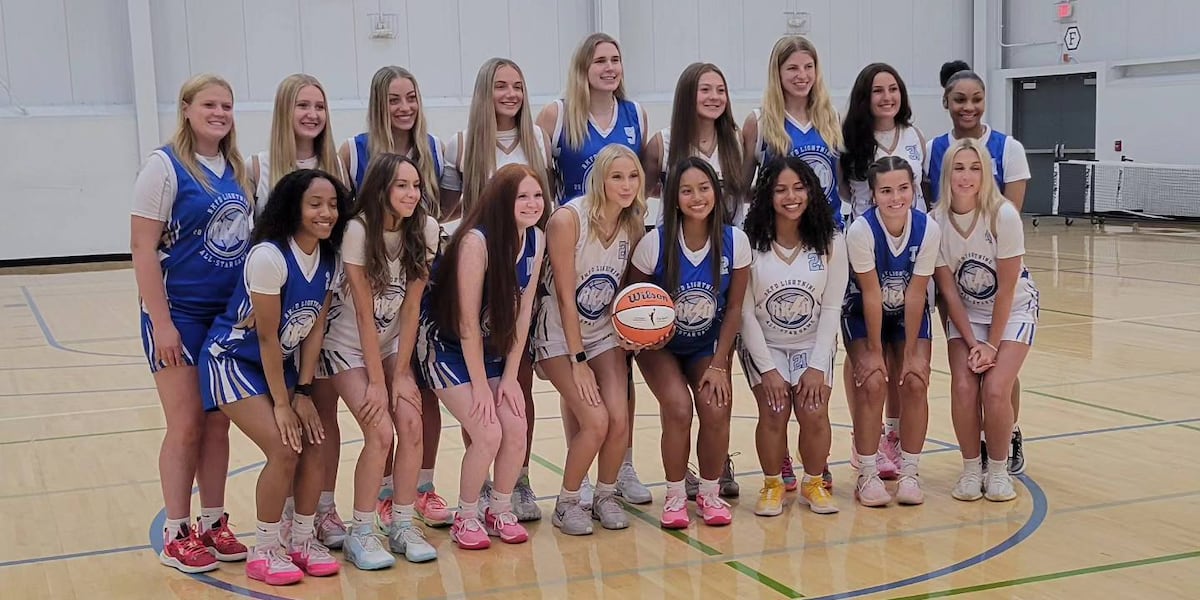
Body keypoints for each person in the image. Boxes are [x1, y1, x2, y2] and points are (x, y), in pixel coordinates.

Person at [199, 168, 345, 585]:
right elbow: (265, 336)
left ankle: (300, 540)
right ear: (293, 207)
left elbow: (314, 327)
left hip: (277, 367)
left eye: (332, 204)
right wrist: (282, 404)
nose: (327, 212)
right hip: (231, 359)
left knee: (315, 442)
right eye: (315, 204)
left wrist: (303, 391)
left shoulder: (328, 258)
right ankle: (264, 550)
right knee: (285, 448)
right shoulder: (268, 257)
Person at [131, 73, 251, 574]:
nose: (219, 113)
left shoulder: (239, 169)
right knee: (185, 426)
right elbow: (141, 248)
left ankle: (213, 521)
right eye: (209, 104)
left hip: (223, 320)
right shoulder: (164, 167)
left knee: (219, 424)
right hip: (177, 315)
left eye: (226, 105)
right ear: (186, 109)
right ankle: (177, 531)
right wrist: (162, 323)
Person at [537, 33, 653, 504]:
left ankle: (616, 473)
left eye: (616, 59)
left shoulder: (636, 117)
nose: (609, 67)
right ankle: (578, 479)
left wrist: (637, 324)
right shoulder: (557, 115)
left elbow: (631, 284)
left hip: (605, 296)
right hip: (572, 274)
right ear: (583, 67)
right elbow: (543, 180)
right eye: (600, 60)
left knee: (619, 396)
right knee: (586, 403)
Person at [436, 58, 554, 522]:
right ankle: (481, 487)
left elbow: (543, 204)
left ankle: (516, 481)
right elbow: (448, 208)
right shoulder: (463, 145)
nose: (510, 94)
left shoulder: (538, 141)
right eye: (500, 86)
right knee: (480, 403)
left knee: (516, 388)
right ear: (485, 92)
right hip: (475, 283)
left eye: (518, 86)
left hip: (513, 288)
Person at [321, 154, 441, 569]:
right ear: (380, 191)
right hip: (347, 345)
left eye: (416, 185)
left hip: (391, 347)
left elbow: (411, 309)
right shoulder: (358, 230)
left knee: (411, 422)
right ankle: (363, 530)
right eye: (401, 186)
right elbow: (361, 312)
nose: (412, 194)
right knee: (380, 432)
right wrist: (377, 381)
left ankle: (403, 524)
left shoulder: (425, 229)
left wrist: (401, 372)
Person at [418, 164, 546, 549]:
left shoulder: (536, 240)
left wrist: (508, 379)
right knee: (488, 431)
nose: (532, 203)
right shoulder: (476, 242)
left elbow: (523, 317)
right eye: (522, 196)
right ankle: (467, 516)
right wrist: (479, 388)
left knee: (517, 426)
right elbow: (467, 322)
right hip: (447, 347)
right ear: (502, 200)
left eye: (537, 195)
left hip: (493, 350)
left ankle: (500, 509)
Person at [248, 73, 349, 549]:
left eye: (319, 106)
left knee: (319, 418)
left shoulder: (338, 166)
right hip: (276, 310)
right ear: (284, 111)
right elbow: (250, 241)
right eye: (302, 105)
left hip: (321, 307)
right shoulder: (259, 166)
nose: (312, 114)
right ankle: (285, 518)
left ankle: (320, 509)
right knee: (286, 428)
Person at [625, 158, 750, 528]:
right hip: (659, 346)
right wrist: (648, 334)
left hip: (706, 346)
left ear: (716, 191)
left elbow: (736, 307)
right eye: (686, 190)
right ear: (673, 198)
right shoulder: (654, 244)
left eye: (704, 188)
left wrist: (720, 364)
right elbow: (631, 301)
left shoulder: (734, 241)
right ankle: (676, 496)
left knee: (715, 405)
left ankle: (709, 494)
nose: (697, 197)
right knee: (679, 408)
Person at [533, 144, 647, 535]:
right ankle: (567, 503)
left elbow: (623, 289)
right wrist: (578, 361)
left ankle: (605, 495)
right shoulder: (568, 220)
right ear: (599, 179)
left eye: (633, 176)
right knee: (596, 420)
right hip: (559, 334)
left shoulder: (632, 223)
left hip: (602, 330)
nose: (626, 184)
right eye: (617, 176)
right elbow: (565, 295)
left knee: (619, 418)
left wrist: (636, 329)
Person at [926, 61, 1032, 475]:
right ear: (946, 103)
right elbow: (935, 210)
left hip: (999, 270)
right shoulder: (935, 150)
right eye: (959, 100)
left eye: (976, 99)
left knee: (1001, 375)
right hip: (955, 278)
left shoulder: (1008, 148)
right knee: (970, 375)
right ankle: (976, 457)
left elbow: (1011, 217)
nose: (968, 107)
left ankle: (1009, 432)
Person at [931, 137, 1039, 503]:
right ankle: (969, 468)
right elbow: (947, 291)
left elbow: (1007, 291)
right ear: (947, 173)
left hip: (1013, 310)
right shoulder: (937, 222)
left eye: (975, 168)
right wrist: (972, 341)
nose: (966, 176)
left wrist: (991, 344)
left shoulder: (1003, 215)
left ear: (986, 173)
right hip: (967, 315)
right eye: (959, 168)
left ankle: (998, 469)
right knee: (963, 386)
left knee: (994, 388)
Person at [738, 156, 847, 516]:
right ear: (767, 196)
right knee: (774, 409)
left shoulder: (830, 240)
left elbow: (832, 307)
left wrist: (817, 366)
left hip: (811, 342)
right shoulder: (749, 242)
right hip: (764, 343)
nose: (791, 197)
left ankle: (813, 482)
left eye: (799, 188)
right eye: (781, 189)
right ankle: (773, 484)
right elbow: (745, 312)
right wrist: (768, 370)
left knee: (814, 410)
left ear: (811, 192)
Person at [842, 157, 940, 507]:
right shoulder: (860, 231)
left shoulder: (927, 228)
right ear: (873, 195)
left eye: (903, 188)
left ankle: (910, 472)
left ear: (914, 190)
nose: (896, 197)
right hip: (862, 311)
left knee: (915, 380)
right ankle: (866, 473)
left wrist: (913, 353)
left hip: (906, 312)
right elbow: (870, 293)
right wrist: (872, 350)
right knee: (872, 381)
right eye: (886, 190)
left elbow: (916, 293)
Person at [742, 35, 844, 229]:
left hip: (828, 231)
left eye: (808, 67)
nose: (802, 75)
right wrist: (778, 194)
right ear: (777, 72)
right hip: (778, 236)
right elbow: (742, 190)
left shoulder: (831, 117)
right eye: (792, 68)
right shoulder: (759, 122)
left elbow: (839, 183)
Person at [642, 62, 747, 227]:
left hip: (727, 243)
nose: (714, 96)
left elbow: (741, 191)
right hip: (674, 245)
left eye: (721, 90)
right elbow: (640, 199)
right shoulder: (661, 143)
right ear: (687, 95)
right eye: (705, 90)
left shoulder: (735, 138)